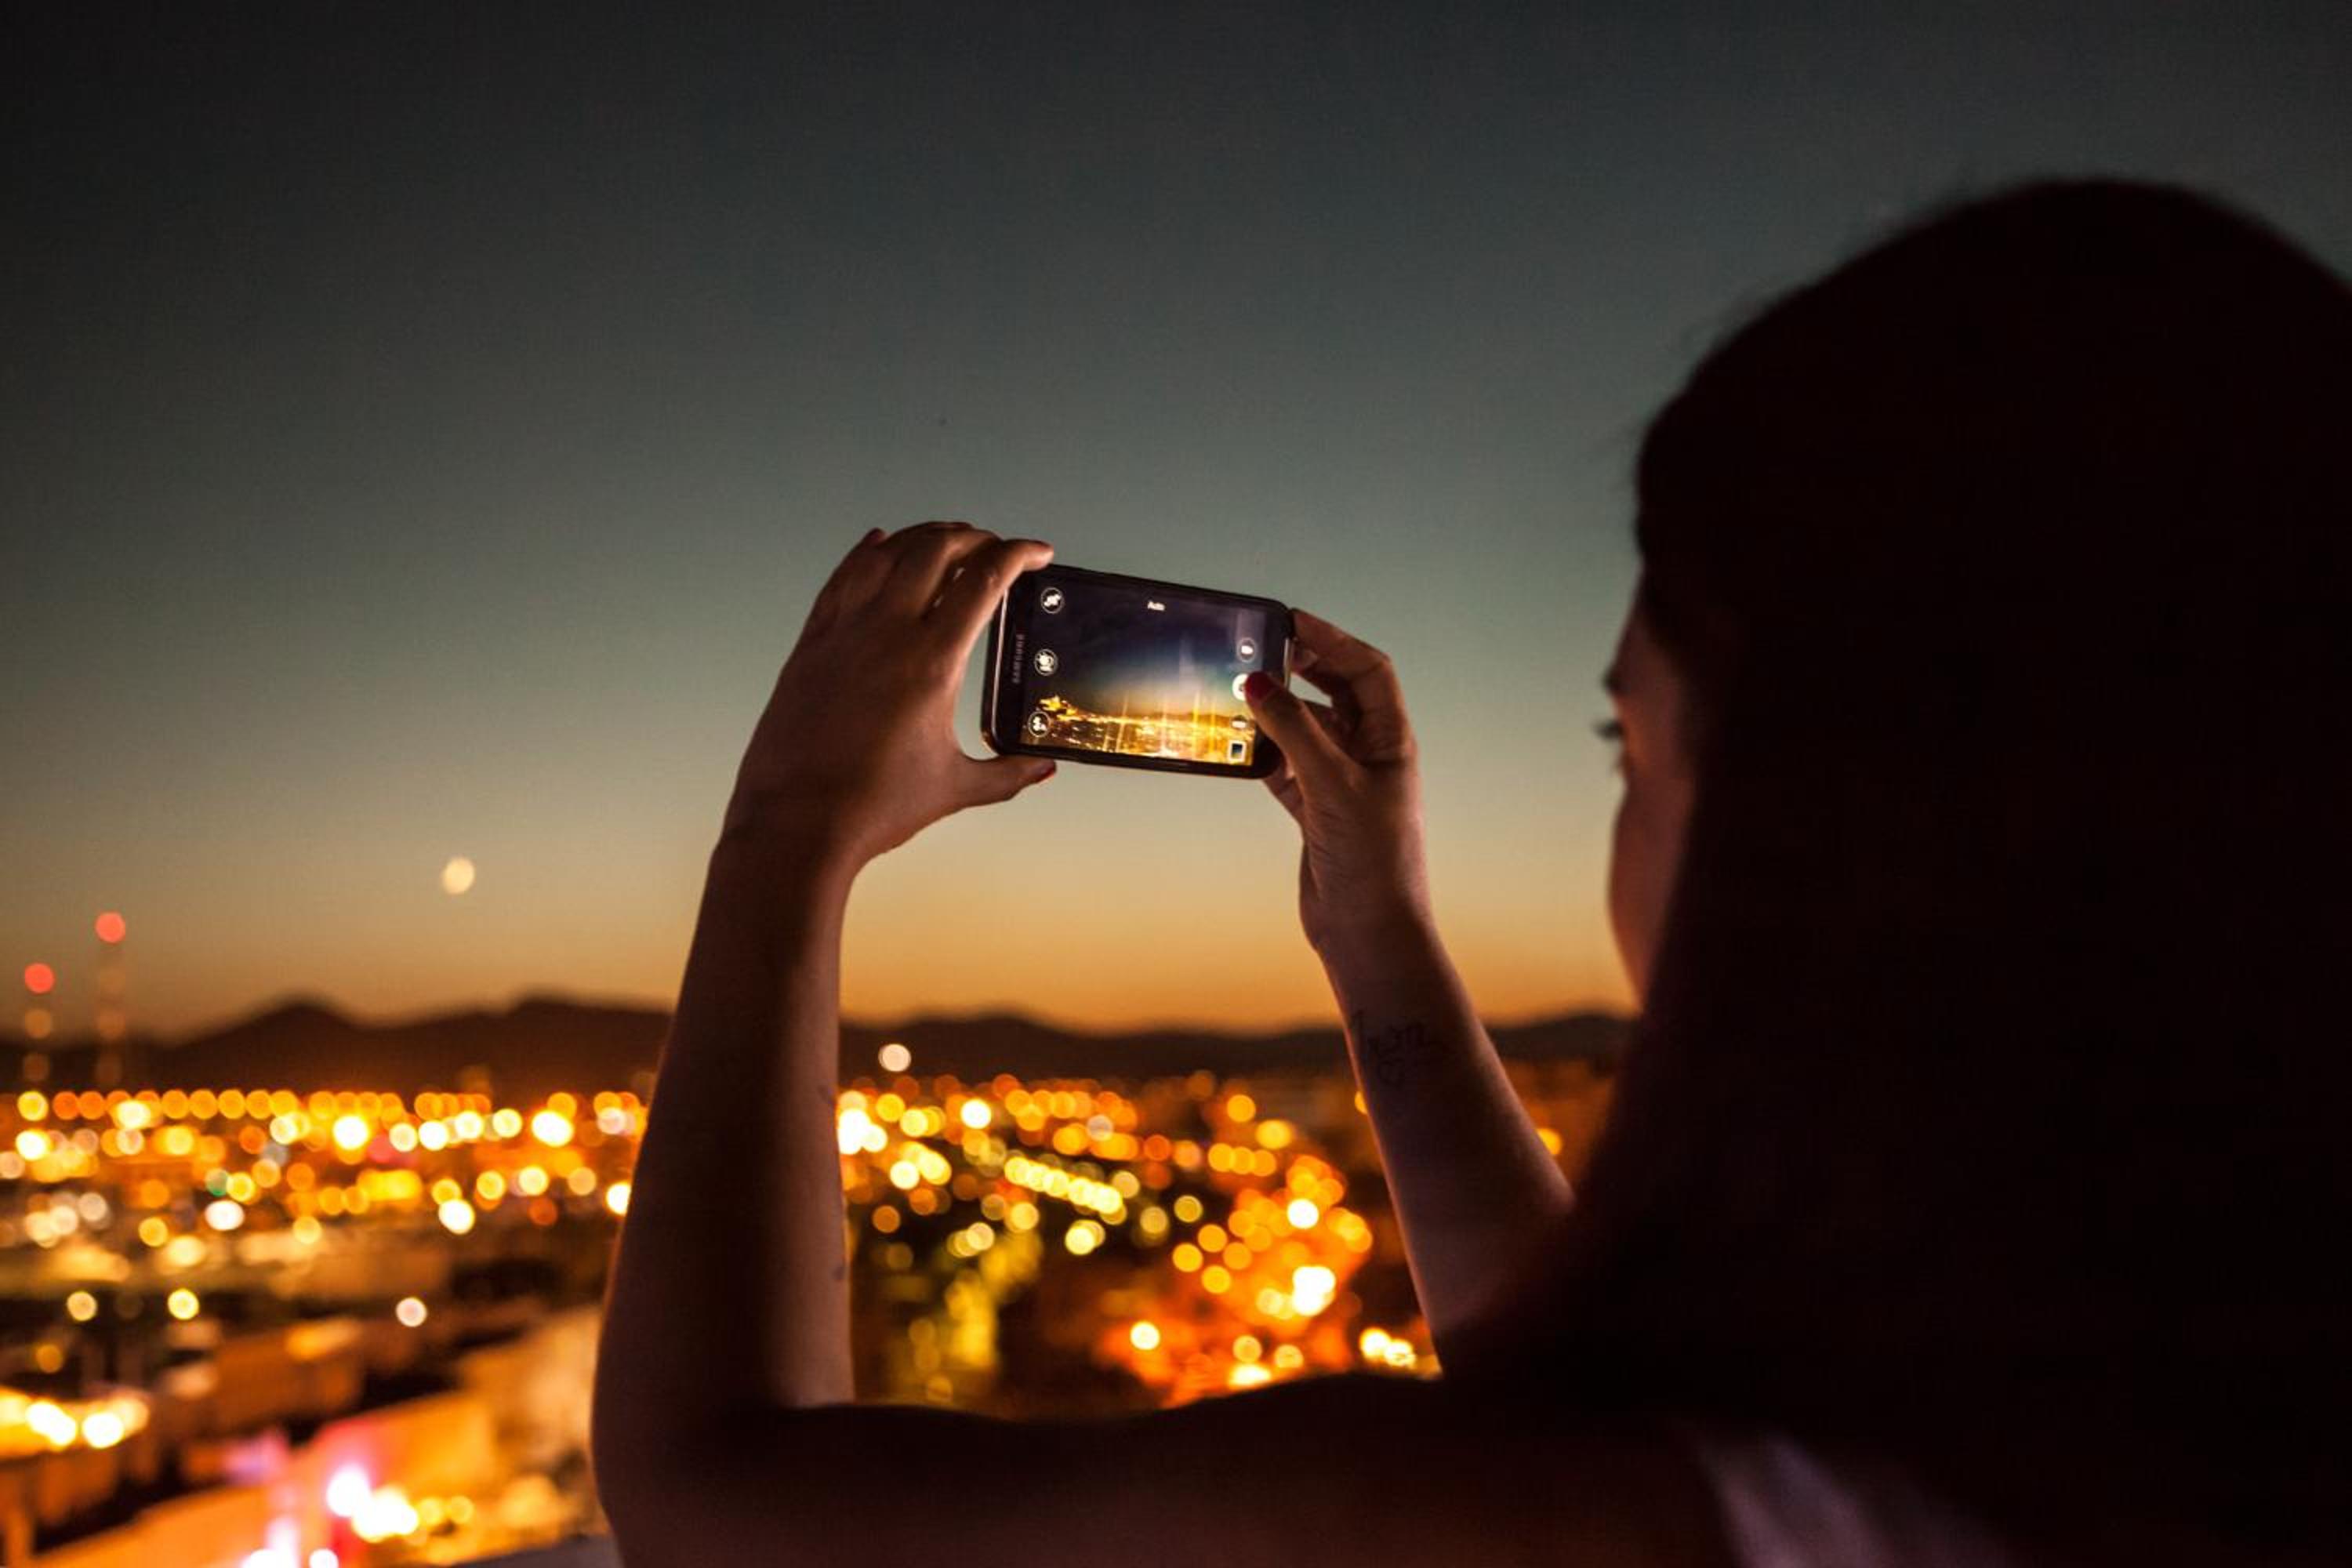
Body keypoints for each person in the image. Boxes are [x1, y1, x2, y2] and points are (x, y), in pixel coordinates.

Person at [591, 175, 2352, 1564]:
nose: (1622, 815)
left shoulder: (1597, 1525)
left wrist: (788, 833)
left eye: (1629, 747)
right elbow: (1579, 1383)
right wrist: (1379, 933)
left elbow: (716, 1493)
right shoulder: (2184, 1426)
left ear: (1822, 839)